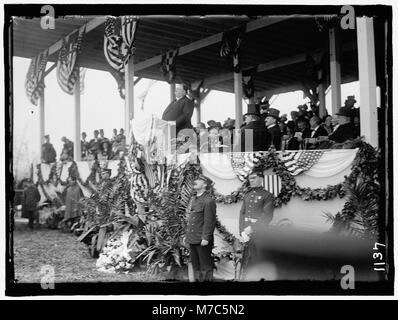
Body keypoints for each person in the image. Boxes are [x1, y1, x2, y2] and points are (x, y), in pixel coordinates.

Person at [239, 170, 274, 277]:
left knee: (260, 260)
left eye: (254, 178)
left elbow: (267, 215)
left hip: (259, 234)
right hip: (246, 234)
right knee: (248, 260)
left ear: (261, 179)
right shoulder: (247, 195)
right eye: (250, 178)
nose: (251, 180)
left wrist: (252, 228)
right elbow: (242, 213)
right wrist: (242, 231)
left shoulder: (267, 195)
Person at [185, 174, 217, 282]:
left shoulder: (208, 201)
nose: (195, 181)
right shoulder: (195, 199)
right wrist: (188, 236)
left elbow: (210, 221)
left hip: (202, 239)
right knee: (196, 266)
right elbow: (193, 220)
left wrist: (206, 237)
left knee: (205, 267)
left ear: (205, 185)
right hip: (193, 238)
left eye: (198, 180)